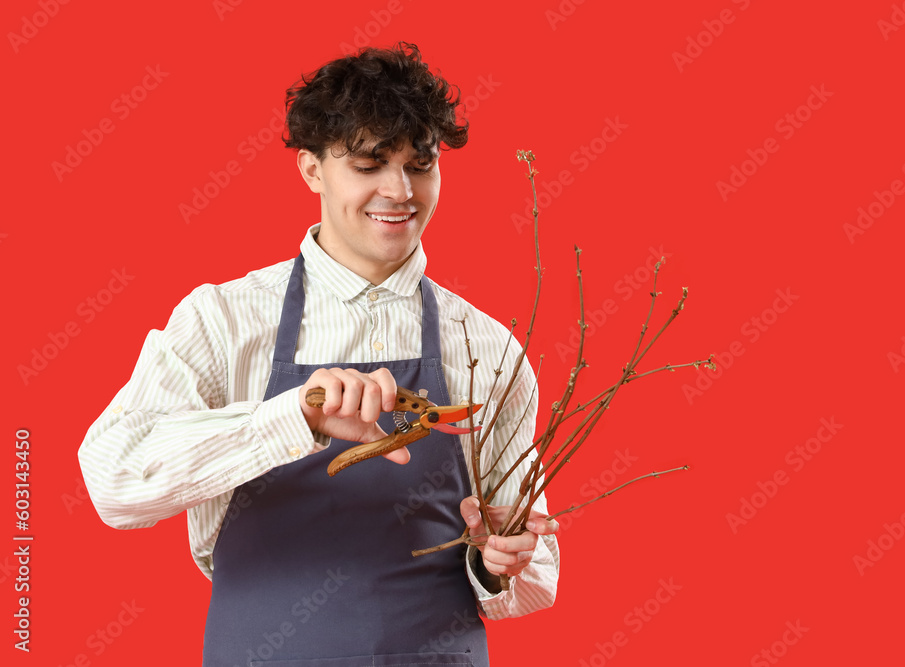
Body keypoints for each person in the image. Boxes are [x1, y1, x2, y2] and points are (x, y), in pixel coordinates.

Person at [78, 42, 558, 666]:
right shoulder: (223, 320)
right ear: (311, 170)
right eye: (368, 164)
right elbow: (115, 482)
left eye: (420, 164)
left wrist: (498, 562)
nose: (399, 190)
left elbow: (535, 576)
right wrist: (292, 418)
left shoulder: (487, 347)